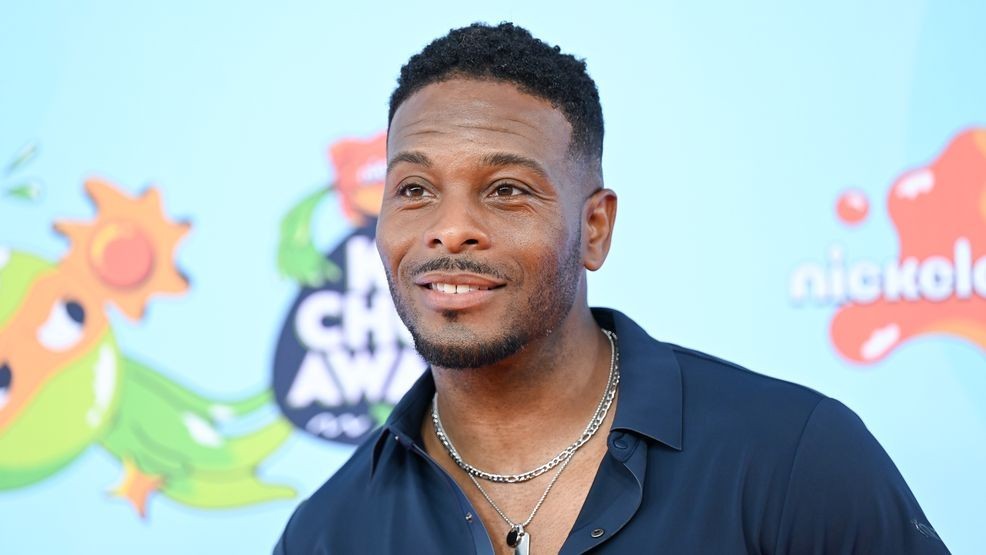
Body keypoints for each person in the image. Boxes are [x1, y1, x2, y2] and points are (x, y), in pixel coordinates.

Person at [274, 22, 949, 554]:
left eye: (506, 190)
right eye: (414, 189)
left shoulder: (793, 456)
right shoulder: (327, 533)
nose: (451, 230)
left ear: (594, 227)